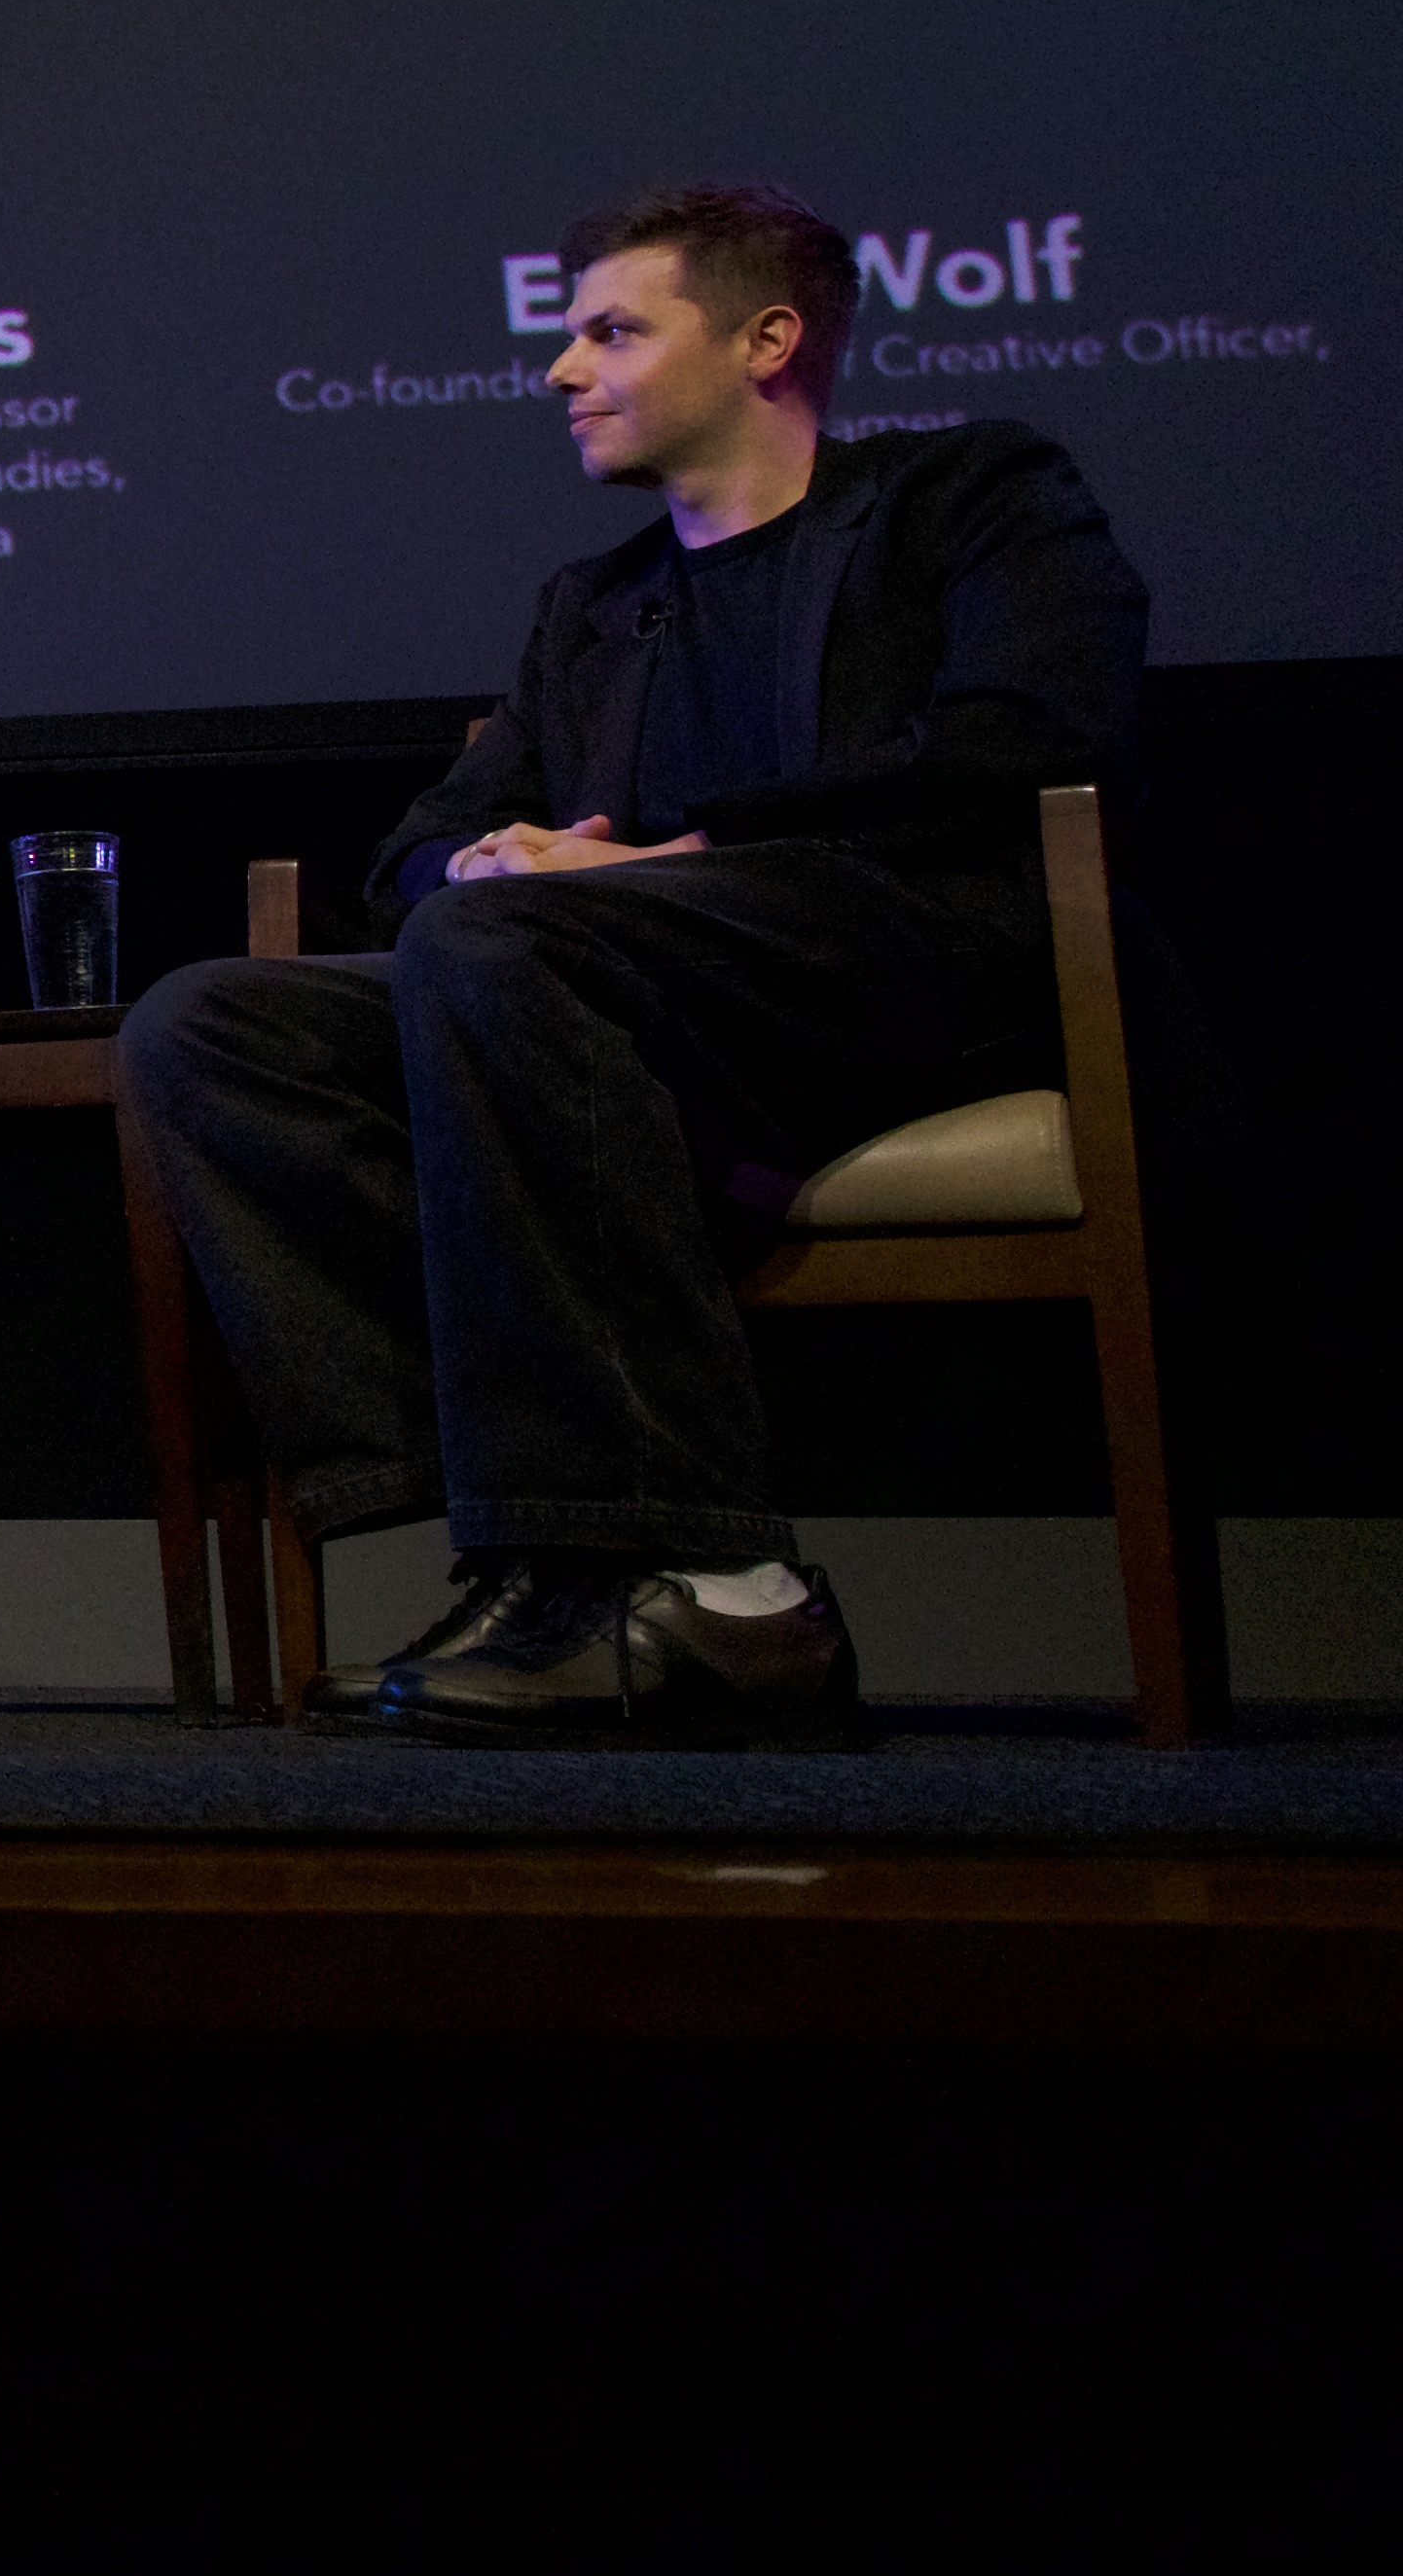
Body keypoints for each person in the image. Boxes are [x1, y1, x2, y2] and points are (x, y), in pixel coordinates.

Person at [116, 180, 1149, 1746]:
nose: (560, 370)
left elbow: (1030, 731)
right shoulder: (593, 608)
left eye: (610, 330)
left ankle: (719, 1586)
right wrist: (488, 856)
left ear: (767, 340)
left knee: (510, 940)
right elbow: (423, 850)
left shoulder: (969, 494)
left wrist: (675, 856)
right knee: (214, 1026)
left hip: (908, 974)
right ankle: (530, 1548)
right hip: (597, 1009)